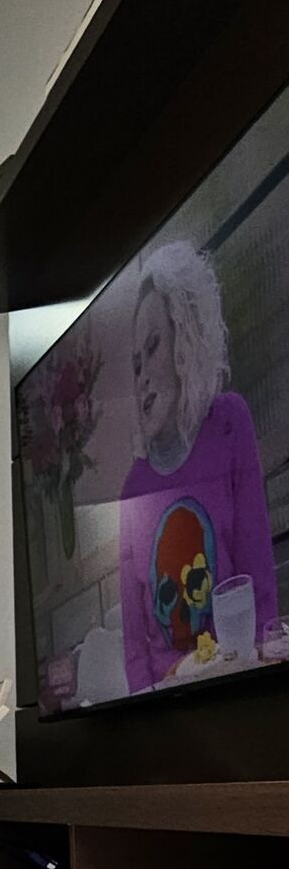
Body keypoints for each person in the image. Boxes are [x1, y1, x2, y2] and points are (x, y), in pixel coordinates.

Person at [115, 240, 279, 692]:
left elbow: (260, 584)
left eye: (153, 347)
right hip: (166, 702)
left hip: (236, 681)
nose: (143, 376)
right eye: (135, 365)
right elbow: (135, 651)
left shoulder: (228, 422)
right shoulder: (131, 489)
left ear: (185, 339)